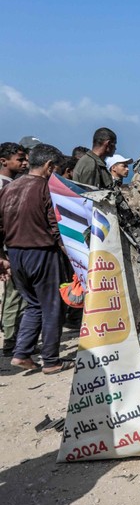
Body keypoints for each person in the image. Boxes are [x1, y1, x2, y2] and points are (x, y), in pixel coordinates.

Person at [0, 144, 71, 374]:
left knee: (34, 305)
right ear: (49, 166)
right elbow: (55, 225)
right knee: (52, 306)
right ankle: (51, 361)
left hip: (15, 253)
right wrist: (73, 256)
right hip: (41, 253)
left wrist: (2, 256)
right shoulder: (45, 188)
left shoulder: (10, 188)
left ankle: (22, 354)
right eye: (56, 169)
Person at [0, 142, 27, 358]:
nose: (24, 162)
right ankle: (10, 340)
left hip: (12, 247)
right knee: (14, 295)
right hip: (9, 248)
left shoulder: (12, 183)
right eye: (19, 159)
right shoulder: (3, 185)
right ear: (4, 161)